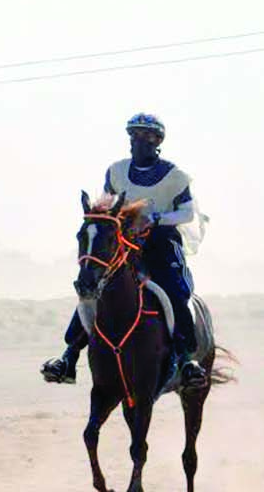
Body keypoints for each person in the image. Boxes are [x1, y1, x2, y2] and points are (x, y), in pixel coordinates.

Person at [41, 112, 207, 389]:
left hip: (162, 242)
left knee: (176, 291)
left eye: (145, 136)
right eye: (134, 135)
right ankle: (69, 356)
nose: (138, 141)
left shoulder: (175, 175)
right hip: (124, 242)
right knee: (92, 286)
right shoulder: (116, 170)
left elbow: (187, 213)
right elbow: (107, 203)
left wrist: (157, 219)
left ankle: (188, 358)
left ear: (157, 141)